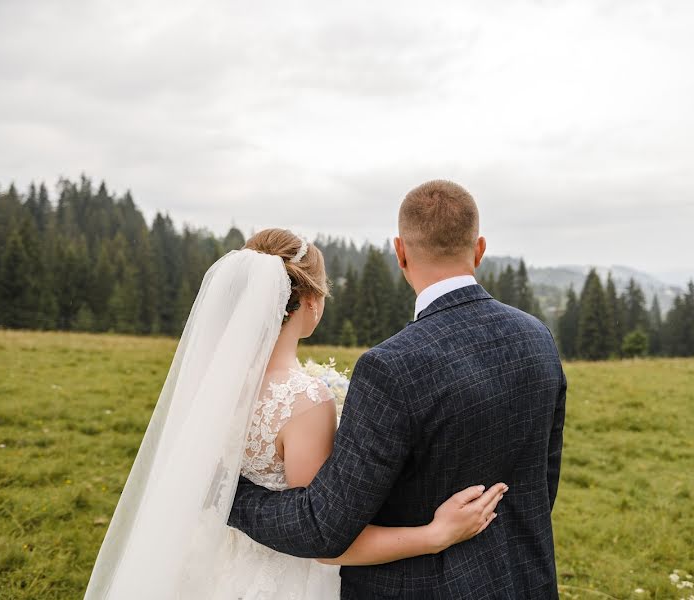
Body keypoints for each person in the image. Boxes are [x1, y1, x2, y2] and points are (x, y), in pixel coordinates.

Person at [84, 227, 506, 599]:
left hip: (212, 557)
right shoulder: (304, 400)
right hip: (282, 577)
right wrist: (434, 536)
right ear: (310, 301)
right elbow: (322, 539)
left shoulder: (211, 387)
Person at [229, 180, 568, 599]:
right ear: (479, 249)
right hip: (524, 581)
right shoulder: (538, 338)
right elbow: (542, 482)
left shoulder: (391, 367)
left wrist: (229, 492)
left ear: (400, 251)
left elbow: (324, 527)